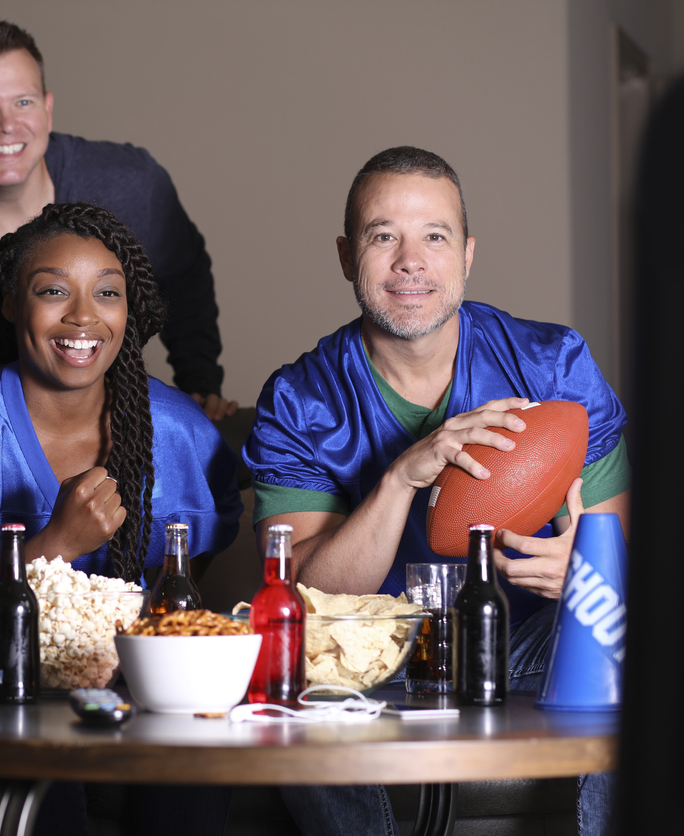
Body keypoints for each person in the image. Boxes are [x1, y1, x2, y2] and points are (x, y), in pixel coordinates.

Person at [244, 146, 627, 835]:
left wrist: (587, 571)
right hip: (372, 664)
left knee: (626, 639)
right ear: (345, 254)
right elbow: (303, 599)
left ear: (468, 254)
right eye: (383, 236)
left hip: (529, 641)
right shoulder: (299, 399)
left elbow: (619, 558)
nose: (410, 261)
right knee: (292, 677)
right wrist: (402, 477)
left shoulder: (553, 364)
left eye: (435, 236)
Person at [0, 202, 241, 835]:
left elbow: (185, 589)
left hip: (136, 663)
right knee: (36, 672)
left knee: (191, 704)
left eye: (108, 293)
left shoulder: (183, 434)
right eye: (53, 291)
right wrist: (55, 545)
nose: (83, 316)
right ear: (10, 304)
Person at [0, 17, 237, 424]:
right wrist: (34, 366)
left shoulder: (132, 183)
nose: (7, 125)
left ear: (47, 109)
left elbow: (185, 281)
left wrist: (201, 385)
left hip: (117, 425)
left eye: (23, 102)